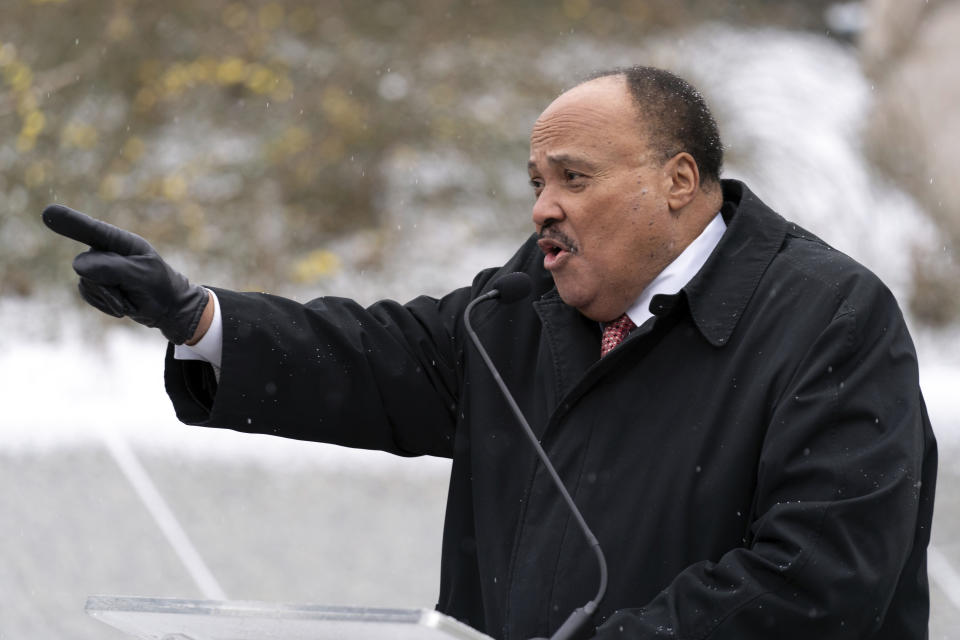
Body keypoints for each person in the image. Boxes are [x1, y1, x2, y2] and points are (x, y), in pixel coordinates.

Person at [44, 66, 936, 639]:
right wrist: (201, 319)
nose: (543, 207)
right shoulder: (523, 305)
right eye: (536, 183)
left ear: (677, 181)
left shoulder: (830, 320)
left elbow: (820, 583)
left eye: (573, 179)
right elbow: (376, 359)